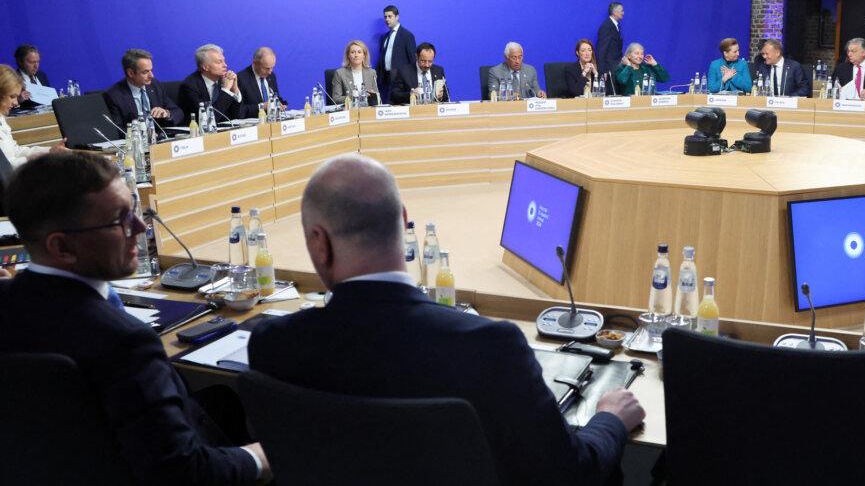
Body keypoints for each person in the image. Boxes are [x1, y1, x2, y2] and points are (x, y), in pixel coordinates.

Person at [247, 154, 642, 486]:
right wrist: (609, 418)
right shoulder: (490, 347)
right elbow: (569, 475)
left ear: (318, 241)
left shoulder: (271, 345)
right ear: (403, 222)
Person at [0, 151, 267, 485]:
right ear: (62, 248)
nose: (140, 228)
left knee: (222, 402)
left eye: (136, 212)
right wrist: (264, 455)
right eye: (119, 219)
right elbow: (184, 473)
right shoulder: (125, 342)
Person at [0, 65, 63, 168]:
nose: (16, 103)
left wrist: (50, 151)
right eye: (12, 97)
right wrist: (33, 159)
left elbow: (15, 151)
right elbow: (5, 167)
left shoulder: (1, 118)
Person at [103, 49, 183, 129]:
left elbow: (178, 112)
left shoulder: (155, 85)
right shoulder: (114, 96)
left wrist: (166, 113)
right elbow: (117, 130)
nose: (151, 75)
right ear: (130, 73)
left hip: (161, 138)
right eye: (145, 72)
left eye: (151, 70)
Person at [178, 44, 243, 124]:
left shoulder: (223, 80)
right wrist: (225, 90)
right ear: (205, 67)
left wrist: (234, 89)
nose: (225, 65)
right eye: (219, 62)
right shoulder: (189, 86)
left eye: (224, 61)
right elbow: (208, 120)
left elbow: (237, 116)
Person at [376, 5, 417, 103]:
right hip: (386, 77)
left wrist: (412, 80)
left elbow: (412, 59)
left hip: (400, 79)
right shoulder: (385, 36)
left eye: (390, 16)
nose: (387, 19)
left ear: (397, 17)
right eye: (385, 17)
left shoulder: (407, 35)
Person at [236, 47, 286, 118]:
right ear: (255, 63)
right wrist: (261, 106)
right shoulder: (241, 79)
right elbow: (240, 111)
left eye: (272, 67)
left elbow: (276, 98)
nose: (270, 72)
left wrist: (280, 104)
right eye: (266, 68)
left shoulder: (271, 76)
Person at [330, 40, 379, 106]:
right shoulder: (340, 73)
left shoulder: (371, 72)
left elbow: (377, 96)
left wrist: (374, 95)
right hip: (348, 111)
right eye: (353, 52)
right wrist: (357, 96)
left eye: (359, 52)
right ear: (348, 56)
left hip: (367, 110)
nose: (356, 55)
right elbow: (336, 99)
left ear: (364, 55)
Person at [596, 1, 625, 77]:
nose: (623, 13)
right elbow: (601, 51)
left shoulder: (615, 26)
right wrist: (602, 71)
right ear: (615, 12)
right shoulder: (606, 27)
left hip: (616, 66)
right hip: (609, 69)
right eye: (622, 11)